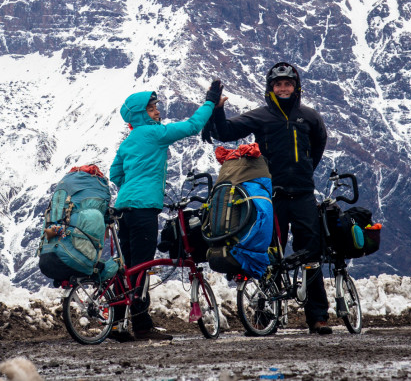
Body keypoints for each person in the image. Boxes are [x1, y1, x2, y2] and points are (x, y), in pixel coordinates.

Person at [204, 62, 333, 334]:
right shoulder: (261, 116)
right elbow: (225, 131)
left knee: (311, 254)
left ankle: (318, 316)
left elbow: (318, 146)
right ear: (270, 88)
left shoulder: (310, 117)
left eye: (288, 84)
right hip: (271, 196)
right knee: (269, 254)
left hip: (302, 196)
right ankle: (265, 315)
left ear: (296, 87)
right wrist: (217, 109)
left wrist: (304, 170)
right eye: (278, 85)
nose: (283, 88)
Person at [108, 90, 216, 341]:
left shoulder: (128, 141)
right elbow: (192, 126)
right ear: (139, 114)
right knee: (141, 268)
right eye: (151, 108)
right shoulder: (154, 134)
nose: (157, 112)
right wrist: (211, 102)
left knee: (128, 267)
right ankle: (142, 326)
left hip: (124, 208)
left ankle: (115, 324)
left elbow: (115, 174)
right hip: (144, 208)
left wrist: (134, 183)